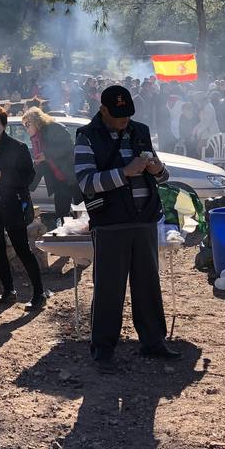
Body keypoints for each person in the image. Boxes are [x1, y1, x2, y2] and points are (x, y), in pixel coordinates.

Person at [74, 85, 179, 373]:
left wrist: (157, 170)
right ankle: (103, 349)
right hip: (110, 222)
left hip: (144, 219)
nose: (124, 121)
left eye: (127, 115)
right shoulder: (87, 136)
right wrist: (124, 173)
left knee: (148, 284)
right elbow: (86, 182)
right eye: (118, 115)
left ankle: (154, 341)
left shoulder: (140, 131)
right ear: (103, 110)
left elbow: (163, 175)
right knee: (109, 287)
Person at [0, 105, 46, 311]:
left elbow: (29, 177)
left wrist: (4, 177)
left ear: (4, 125)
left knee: (23, 250)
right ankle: (8, 291)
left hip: (12, 206)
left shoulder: (18, 147)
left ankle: (39, 294)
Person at [22, 106, 78, 226]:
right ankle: (64, 238)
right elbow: (39, 166)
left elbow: (68, 147)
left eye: (27, 124)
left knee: (82, 210)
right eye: (24, 126)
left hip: (72, 176)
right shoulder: (36, 138)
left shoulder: (54, 128)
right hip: (59, 181)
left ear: (35, 120)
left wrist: (46, 155)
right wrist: (26, 187)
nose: (26, 129)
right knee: (61, 214)